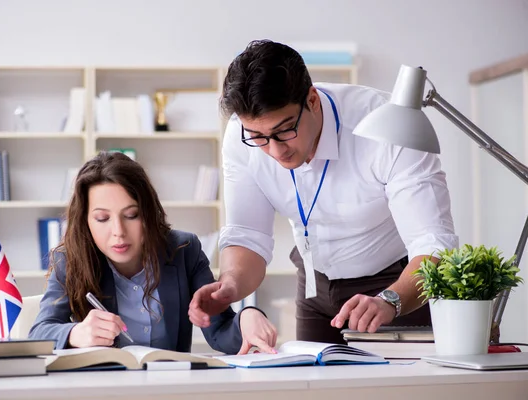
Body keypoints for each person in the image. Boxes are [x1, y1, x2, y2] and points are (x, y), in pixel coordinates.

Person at [188, 40, 459, 344]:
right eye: (259, 137)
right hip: (314, 282)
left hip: (395, 283)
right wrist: (230, 286)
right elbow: (247, 234)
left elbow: (435, 243)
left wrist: (392, 300)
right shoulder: (240, 136)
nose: (275, 150)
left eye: (284, 130)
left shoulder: (387, 126)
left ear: (313, 100)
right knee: (313, 388)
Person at [29, 151, 277, 354]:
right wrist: (76, 333)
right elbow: (39, 333)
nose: (118, 232)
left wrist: (248, 317)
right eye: (102, 218)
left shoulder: (184, 250)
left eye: (131, 215)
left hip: (168, 389)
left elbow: (220, 332)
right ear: (85, 221)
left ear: (148, 213)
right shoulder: (70, 259)